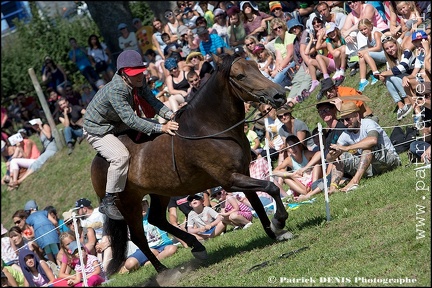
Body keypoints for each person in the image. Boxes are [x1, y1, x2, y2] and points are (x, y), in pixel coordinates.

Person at [82, 50, 179, 220]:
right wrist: (162, 128)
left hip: (117, 123)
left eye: (140, 72)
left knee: (157, 126)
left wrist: (171, 115)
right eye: (134, 74)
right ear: (123, 74)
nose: (139, 77)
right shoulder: (116, 90)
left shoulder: (139, 82)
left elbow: (154, 102)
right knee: (120, 157)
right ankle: (108, 201)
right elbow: (132, 120)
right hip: (97, 129)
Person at [327, 101, 401, 192]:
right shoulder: (345, 134)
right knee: (340, 157)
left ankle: (355, 181)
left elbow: (373, 140)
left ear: (357, 116)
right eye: (342, 120)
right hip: (370, 169)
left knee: (367, 148)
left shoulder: (368, 123)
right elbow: (329, 160)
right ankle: (333, 187)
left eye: (347, 119)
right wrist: (332, 154)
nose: (345, 123)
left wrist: (347, 148)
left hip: (390, 161)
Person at [120, 196, 178, 274]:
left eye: (143, 204)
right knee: (129, 264)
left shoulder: (155, 213)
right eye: (139, 205)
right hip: (147, 248)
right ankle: (153, 256)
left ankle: (149, 263)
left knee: (172, 249)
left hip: (164, 245)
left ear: (148, 204)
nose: (142, 208)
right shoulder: (132, 221)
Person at [375, 35, 416, 121]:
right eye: (387, 49)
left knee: (392, 76)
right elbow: (389, 77)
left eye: (391, 46)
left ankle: (407, 101)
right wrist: (383, 78)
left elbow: (401, 68)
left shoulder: (406, 52)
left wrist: (382, 73)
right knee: (388, 78)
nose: (390, 50)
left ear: (396, 44)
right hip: (404, 82)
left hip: (415, 79)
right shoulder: (389, 61)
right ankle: (400, 104)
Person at [273, 135, 322, 201]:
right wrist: (291, 174)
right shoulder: (289, 160)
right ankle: (305, 192)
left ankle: (313, 188)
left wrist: (305, 168)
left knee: (317, 164)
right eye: (290, 147)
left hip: (313, 179)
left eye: (294, 146)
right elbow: (274, 172)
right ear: (287, 150)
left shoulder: (305, 154)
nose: (293, 149)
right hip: (301, 183)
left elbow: (319, 153)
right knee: (284, 175)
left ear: (299, 146)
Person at [15, 119, 58, 186]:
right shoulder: (39, 132)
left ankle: (20, 180)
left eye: (35, 125)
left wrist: (41, 127)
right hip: (47, 149)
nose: (34, 127)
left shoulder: (45, 126)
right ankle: (18, 181)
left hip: (52, 148)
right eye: (33, 126)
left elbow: (49, 136)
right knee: (35, 162)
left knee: (38, 162)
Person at [23, 200, 60, 265]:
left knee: (48, 252)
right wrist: (57, 230)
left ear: (30, 210)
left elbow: (33, 233)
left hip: (41, 238)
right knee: (56, 250)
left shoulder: (28, 220)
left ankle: (54, 268)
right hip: (51, 233)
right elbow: (55, 222)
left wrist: (27, 237)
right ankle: (61, 265)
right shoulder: (44, 212)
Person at [356, 19, 386, 92]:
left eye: (365, 28)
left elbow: (378, 47)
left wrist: (364, 51)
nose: (363, 31)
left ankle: (376, 73)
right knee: (362, 56)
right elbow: (371, 51)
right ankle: (363, 81)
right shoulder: (368, 38)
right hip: (379, 56)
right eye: (361, 30)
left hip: (386, 54)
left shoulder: (375, 33)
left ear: (370, 26)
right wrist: (362, 53)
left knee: (365, 53)